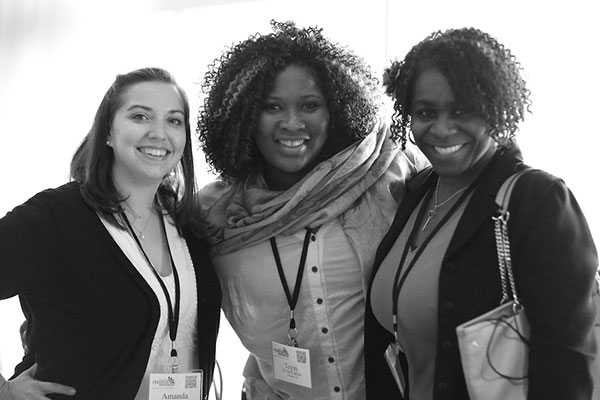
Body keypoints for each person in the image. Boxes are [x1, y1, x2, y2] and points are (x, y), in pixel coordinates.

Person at [196, 20, 426, 399]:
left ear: (336, 109)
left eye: (310, 105)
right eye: (271, 106)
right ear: (243, 116)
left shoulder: (388, 177)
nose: (292, 122)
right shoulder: (213, 214)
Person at [365, 27, 599, 400]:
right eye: (426, 112)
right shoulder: (418, 190)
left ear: (495, 110)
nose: (442, 129)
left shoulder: (537, 201)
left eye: (462, 111)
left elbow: (568, 364)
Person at [0, 67, 221, 399]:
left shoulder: (188, 224)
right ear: (107, 133)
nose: (159, 133)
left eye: (174, 121)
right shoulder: (54, 218)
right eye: (140, 116)